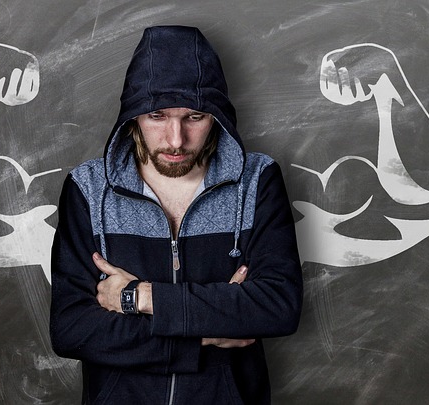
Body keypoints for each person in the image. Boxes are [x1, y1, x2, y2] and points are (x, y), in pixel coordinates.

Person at [50, 25, 303, 405]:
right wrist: (203, 336)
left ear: (216, 116)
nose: (175, 139)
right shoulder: (88, 188)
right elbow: (72, 330)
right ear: (133, 116)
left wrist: (142, 298)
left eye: (195, 117)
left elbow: (277, 307)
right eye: (156, 115)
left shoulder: (257, 181)